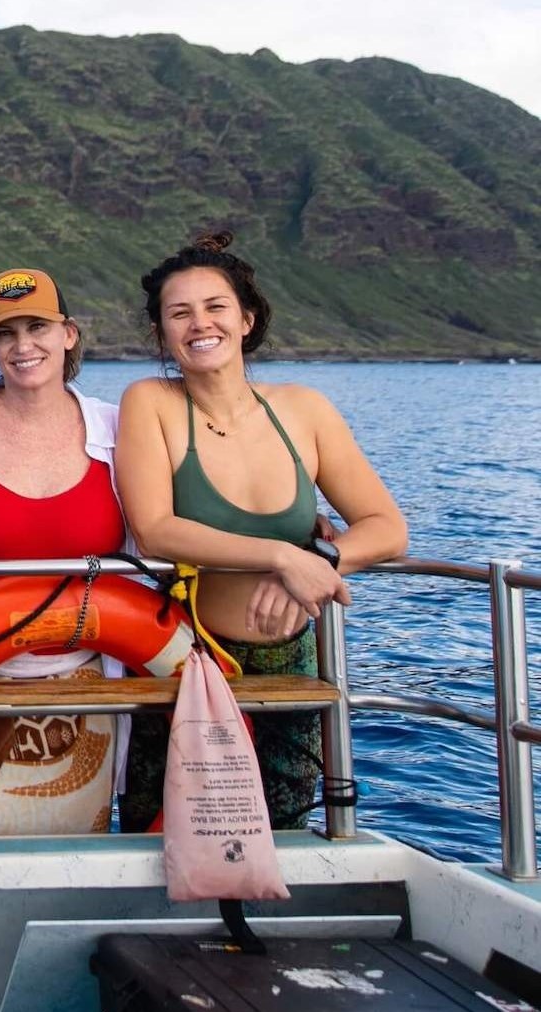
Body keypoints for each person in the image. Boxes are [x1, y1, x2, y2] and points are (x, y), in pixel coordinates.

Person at [115, 231, 407, 831]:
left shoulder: (305, 409)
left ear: (246, 320)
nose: (200, 323)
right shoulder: (150, 402)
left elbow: (387, 528)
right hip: (188, 654)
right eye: (179, 313)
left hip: (292, 660)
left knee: (287, 830)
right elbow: (154, 530)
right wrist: (281, 556)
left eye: (215, 307)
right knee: (164, 832)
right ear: (162, 334)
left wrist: (318, 560)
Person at [0, 267, 131, 835]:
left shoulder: (113, 428)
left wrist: (308, 530)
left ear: (69, 334)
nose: (22, 345)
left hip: (81, 687)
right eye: (4, 333)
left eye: (38, 327)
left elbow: (164, 524)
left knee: (67, 863)